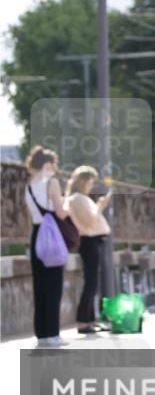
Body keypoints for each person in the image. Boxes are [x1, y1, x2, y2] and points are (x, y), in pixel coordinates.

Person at [24, 146, 69, 348]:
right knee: (54, 286)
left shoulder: (29, 186)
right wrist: (66, 203)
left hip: (36, 237)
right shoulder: (52, 182)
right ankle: (53, 334)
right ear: (49, 164)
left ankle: (42, 334)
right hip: (51, 236)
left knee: (40, 286)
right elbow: (60, 213)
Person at [64, 166, 111, 333]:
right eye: (91, 182)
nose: (92, 186)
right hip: (89, 241)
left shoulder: (79, 198)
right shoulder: (78, 199)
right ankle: (83, 321)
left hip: (91, 241)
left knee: (92, 282)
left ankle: (89, 320)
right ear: (83, 181)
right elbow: (90, 220)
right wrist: (100, 205)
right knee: (90, 282)